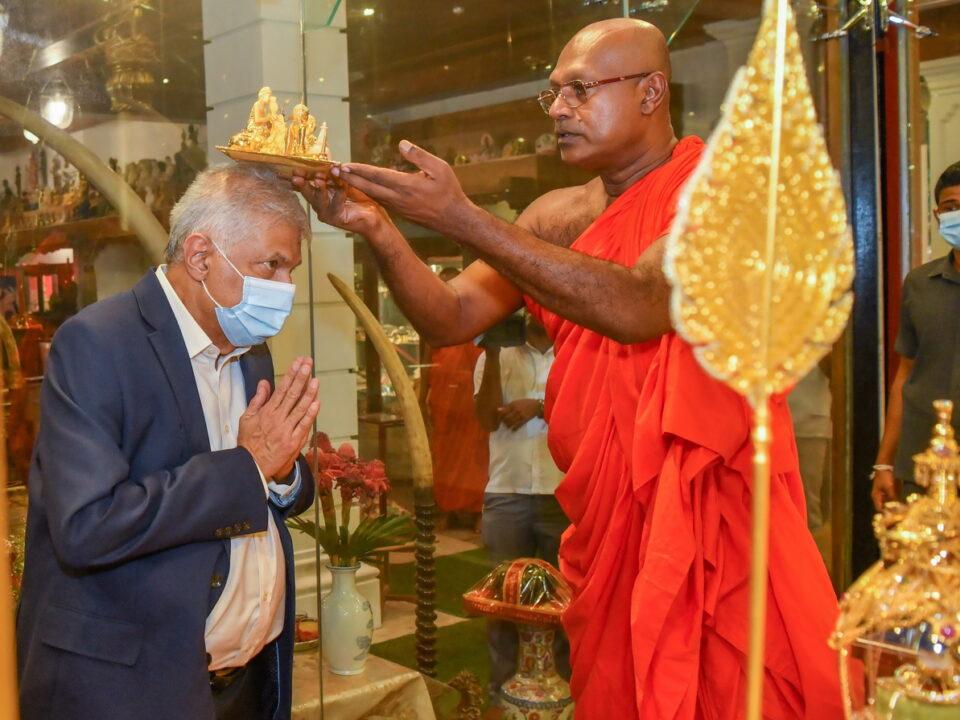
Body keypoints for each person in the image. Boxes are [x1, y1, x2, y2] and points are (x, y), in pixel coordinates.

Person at [295, 17, 844, 719]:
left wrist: (463, 217)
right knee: (617, 683)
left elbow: (642, 302)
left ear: (651, 92)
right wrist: (376, 225)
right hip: (605, 515)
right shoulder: (556, 215)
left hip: (707, 508)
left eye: (580, 90)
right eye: (553, 93)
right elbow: (451, 315)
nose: (558, 109)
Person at [17, 163, 320, 720]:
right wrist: (251, 466)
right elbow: (86, 526)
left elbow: (268, 481)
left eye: (291, 270)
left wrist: (282, 473)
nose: (285, 289)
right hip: (130, 689)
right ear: (201, 257)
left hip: (247, 682)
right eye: (271, 265)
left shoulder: (248, 346)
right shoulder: (97, 344)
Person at [473, 313, 569, 704]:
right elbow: (486, 418)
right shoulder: (495, 356)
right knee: (502, 603)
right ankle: (501, 697)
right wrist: (493, 353)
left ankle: (562, 694)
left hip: (563, 491)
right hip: (506, 490)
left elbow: (589, 412)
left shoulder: (573, 352)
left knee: (564, 603)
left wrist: (540, 406)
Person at [872, 161, 960, 509]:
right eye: (951, 207)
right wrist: (885, 462)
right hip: (923, 465)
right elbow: (904, 378)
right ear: (938, 215)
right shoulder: (919, 285)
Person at [421, 267, 489, 529]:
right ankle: (447, 508)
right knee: (444, 453)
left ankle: (476, 510)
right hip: (443, 398)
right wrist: (420, 397)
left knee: (475, 454)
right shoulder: (434, 321)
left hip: (470, 398)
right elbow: (427, 361)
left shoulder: (477, 317)